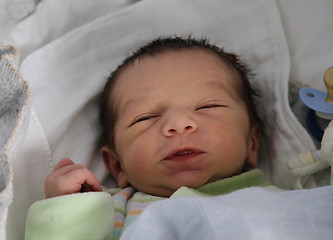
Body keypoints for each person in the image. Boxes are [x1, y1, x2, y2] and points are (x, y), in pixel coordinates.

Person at [32, 36, 273, 239]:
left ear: (252, 143)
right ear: (117, 165)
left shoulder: (286, 200)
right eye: (145, 118)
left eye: (207, 106)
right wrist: (66, 211)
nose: (178, 124)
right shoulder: (109, 212)